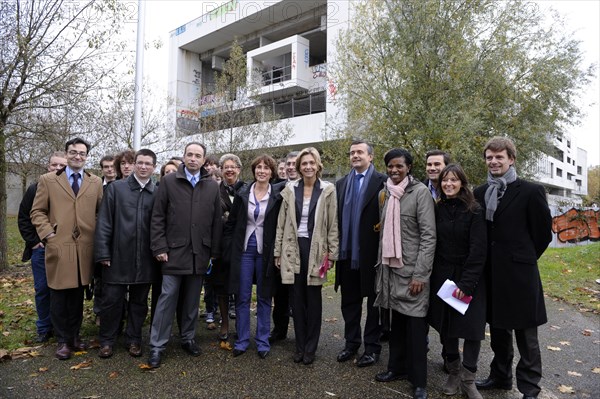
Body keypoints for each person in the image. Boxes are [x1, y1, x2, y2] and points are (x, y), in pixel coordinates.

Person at [474, 137, 552, 399]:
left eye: (499, 157)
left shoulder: (530, 191)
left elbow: (542, 235)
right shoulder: (480, 192)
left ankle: (529, 388)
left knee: (526, 336)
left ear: (511, 159)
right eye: (489, 157)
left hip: (520, 275)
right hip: (492, 276)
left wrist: (524, 258)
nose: (494, 161)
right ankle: (501, 376)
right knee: (498, 331)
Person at [147, 142, 222, 368]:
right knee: (167, 299)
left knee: (191, 301)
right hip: (173, 252)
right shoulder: (169, 181)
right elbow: (157, 216)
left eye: (198, 155)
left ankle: (188, 338)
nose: (193, 158)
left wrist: (214, 252)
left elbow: (216, 221)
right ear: (184, 157)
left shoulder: (211, 186)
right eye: (189, 154)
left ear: (203, 159)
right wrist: (159, 247)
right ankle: (157, 346)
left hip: (200, 253)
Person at [30, 137, 103, 360]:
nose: (77, 156)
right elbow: (37, 211)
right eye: (73, 152)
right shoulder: (48, 180)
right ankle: (62, 340)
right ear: (66, 153)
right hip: (59, 246)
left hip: (84, 248)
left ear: (87, 156)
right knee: (59, 294)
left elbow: (101, 212)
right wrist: (48, 233)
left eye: (82, 153)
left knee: (78, 295)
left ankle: (74, 336)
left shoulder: (95, 182)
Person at [373, 148, 436, 399]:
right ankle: (396, 368)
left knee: (416, 328)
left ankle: (419, 381)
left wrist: (420, 274)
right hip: (390, 269)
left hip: (412, 272)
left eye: (399, 166)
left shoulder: (420, 193)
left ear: (409, 167)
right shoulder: (386, 192)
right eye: (390, 166)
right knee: (395, 324)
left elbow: (429, 236)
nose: (394, 170)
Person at [274, 147, 338, 365]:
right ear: (299, 167)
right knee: (297, 299)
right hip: (293, 247)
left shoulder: (328, 189)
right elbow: (281, 223)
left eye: (312, 163)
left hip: (317, 249)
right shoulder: (290, 189)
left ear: (318, 165)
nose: (308, 167)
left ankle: (311, 348)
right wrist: (277, 251)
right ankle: (299, 347)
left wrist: (332, 254)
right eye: (304, 163)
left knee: (313, 299)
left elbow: (333, 224)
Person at [427, 164, 487, 399]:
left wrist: (466, 284)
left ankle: (468, 378)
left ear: (462, 182)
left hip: (469, 278)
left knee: (472, 330)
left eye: (453, 180)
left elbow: (478, 250)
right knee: (447, 328)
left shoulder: (474, 210)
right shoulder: (437, 209)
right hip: (443, 277)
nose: (448, 184)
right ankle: (453, 370)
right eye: (444, 180)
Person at [94, 149, 159, 359]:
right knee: (111, 301)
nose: (143, 167)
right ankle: (107, 340)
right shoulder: (116, 189)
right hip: (117, 257)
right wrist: (103, 252)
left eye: (148, 164)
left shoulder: (157, 192)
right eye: (140, 163)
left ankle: (134, 339)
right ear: (134, 165)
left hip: (145, 259)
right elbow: (104, 223)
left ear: (154, 167)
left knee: (139, 303)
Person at [224, 155, 284, 359]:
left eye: (266, 168)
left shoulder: (278, 194)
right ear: (253, 170)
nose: (262, 171)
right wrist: (229, 249)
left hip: (265, 252)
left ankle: (262, 341)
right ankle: (241, 340)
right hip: (244, 251)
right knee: (242, 296)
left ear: (271, 172)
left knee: (265, 296)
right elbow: (231, 224)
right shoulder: (243, 192)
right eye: (258, 167)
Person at [335, 140, 386, 367]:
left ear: (371, 157)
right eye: (352, 152)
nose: (355, 155)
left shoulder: (382, 182)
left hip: (372, 255)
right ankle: (351, 343)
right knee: (350, 303)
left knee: (374, 305)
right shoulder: (341, 183)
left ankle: (372, 347)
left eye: (359, 152)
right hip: (347, 254)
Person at [17, 151, 67, 343]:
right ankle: (45, 327)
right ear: (48, 166)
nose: (57, 168)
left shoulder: (71, 190)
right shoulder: (35, 188)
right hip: (41, 249)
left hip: (64, 249)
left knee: (62, 289)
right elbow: (24, 217)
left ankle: (61, 325)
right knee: (43, 288)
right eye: (54, 165)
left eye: (61, 165)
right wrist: (34, 242)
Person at [209, 153, 247, 342]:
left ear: (239, 170)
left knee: (241, 286)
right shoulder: (213, 190)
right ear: (221, 170)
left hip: (242, 246)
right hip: (221, 245)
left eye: (233, 166)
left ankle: (241, 324)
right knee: (221, 286)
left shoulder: (248, 189)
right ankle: (224, 323)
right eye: (226, 167)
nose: (230, 170)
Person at [270, 151, 299, 343]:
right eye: (288, 163)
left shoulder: (311, 190)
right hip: (280, 249)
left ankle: (301, 334)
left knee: (298, 296)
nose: (290, 167)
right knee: (279, 295)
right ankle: (279, 330)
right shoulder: (276, 190)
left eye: (294, 164)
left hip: (301, 249)